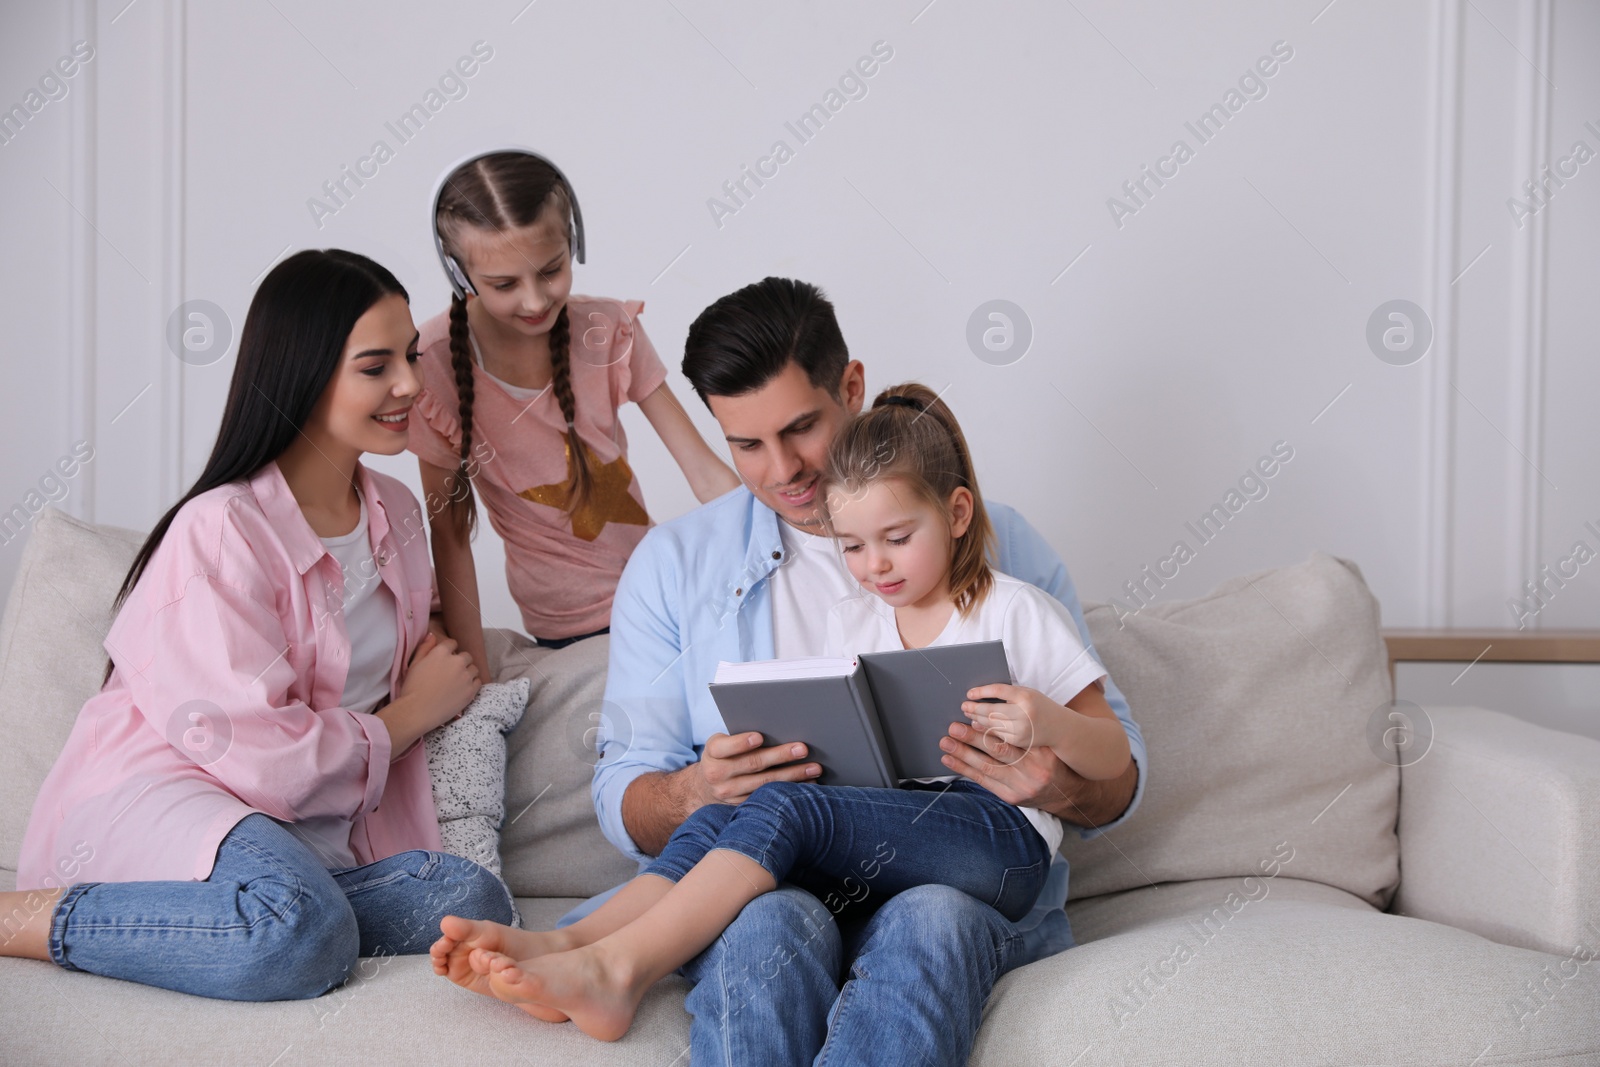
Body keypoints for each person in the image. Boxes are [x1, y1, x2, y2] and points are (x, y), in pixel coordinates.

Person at [433, 277, 1148, 1064]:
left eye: (802, 427)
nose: (784, 470)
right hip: (783, 883)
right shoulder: (683, 569)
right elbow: (624, 789)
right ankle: (576, 944)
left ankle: (612, 963)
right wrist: (697, 786)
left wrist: (1053, 775)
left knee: (925, 914)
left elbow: (1117, 773)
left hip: (961, 874)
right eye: (746, 445)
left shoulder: (996, 558)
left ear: (852, 387)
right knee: (765, 912)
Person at [0, 249, 514, 1000]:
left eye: (410, 356)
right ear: (304, 377)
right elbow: (260, 759)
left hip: (302, 840)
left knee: (470, 900)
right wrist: (407, 718)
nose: (410, 381)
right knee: (301, 934)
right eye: (377, 366)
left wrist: (448, 510)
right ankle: (28, 918)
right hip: (180, 801)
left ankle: (276, 910)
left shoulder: (396, 513)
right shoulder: (221, 529)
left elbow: (460, 669)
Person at [409, 149, 739, 676]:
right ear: (458, 271)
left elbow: (702, 470)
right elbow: (447, 532)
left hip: (659, 588)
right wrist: (477, 674)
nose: (536, 300)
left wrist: (789, 548)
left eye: (551, 270)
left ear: (574, 243)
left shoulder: (606, 327)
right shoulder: (430, 365)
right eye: (504, 285)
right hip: (569, 625)